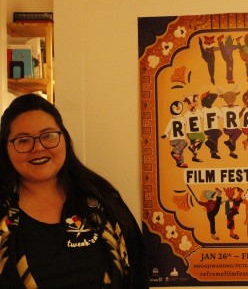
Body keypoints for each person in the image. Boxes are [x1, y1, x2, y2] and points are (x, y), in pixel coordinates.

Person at [0, 94, 149, 289]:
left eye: (48, 135)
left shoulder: (102, 198)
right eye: (23, 140)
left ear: (64, 138)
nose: (38, 147)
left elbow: (138, 273)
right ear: (6, 148)